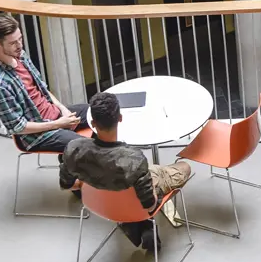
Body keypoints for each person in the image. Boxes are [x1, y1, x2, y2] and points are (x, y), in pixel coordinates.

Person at [59, 93, 193, 251]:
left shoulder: (73, 149)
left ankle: (138, 226)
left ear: (93, 123)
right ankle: (143, 224)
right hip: (133, 197)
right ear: (120, 118)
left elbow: (66, 184)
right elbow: (149, 205)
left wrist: (91, 183)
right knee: (184, 167)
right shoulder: (134, 159)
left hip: (99, 204)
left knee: (134, 179)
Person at [0, 15, 90, 158]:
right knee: (86, 146)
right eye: (13, 43)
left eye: (20, 38)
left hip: (55, 115)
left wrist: (63, 110)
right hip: (38, 135)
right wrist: (58, 124)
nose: (20, 45)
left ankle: (71, 160)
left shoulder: (21, 55)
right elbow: (18, 127)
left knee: (101, 112)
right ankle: (69, 170)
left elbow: (43, 89)